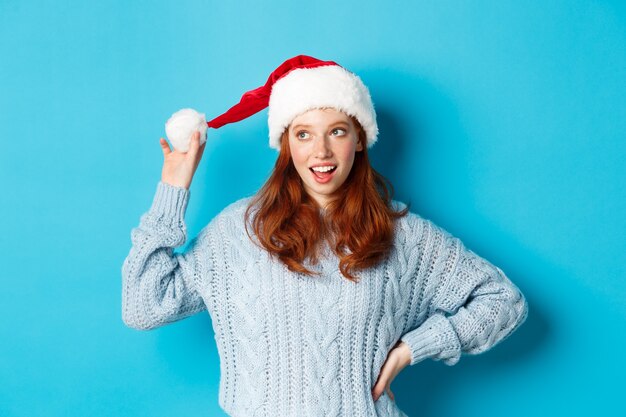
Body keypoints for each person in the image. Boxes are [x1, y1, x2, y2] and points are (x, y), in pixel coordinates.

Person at [121, 55, 529, 417]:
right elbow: (144, 306)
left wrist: (413, 348)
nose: (321, 151)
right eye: (303, 134)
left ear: (359, 141)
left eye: (336, 131)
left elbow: (503, 301)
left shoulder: (402, 234)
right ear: (286, 145)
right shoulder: (237, 230)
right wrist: (172, 189)